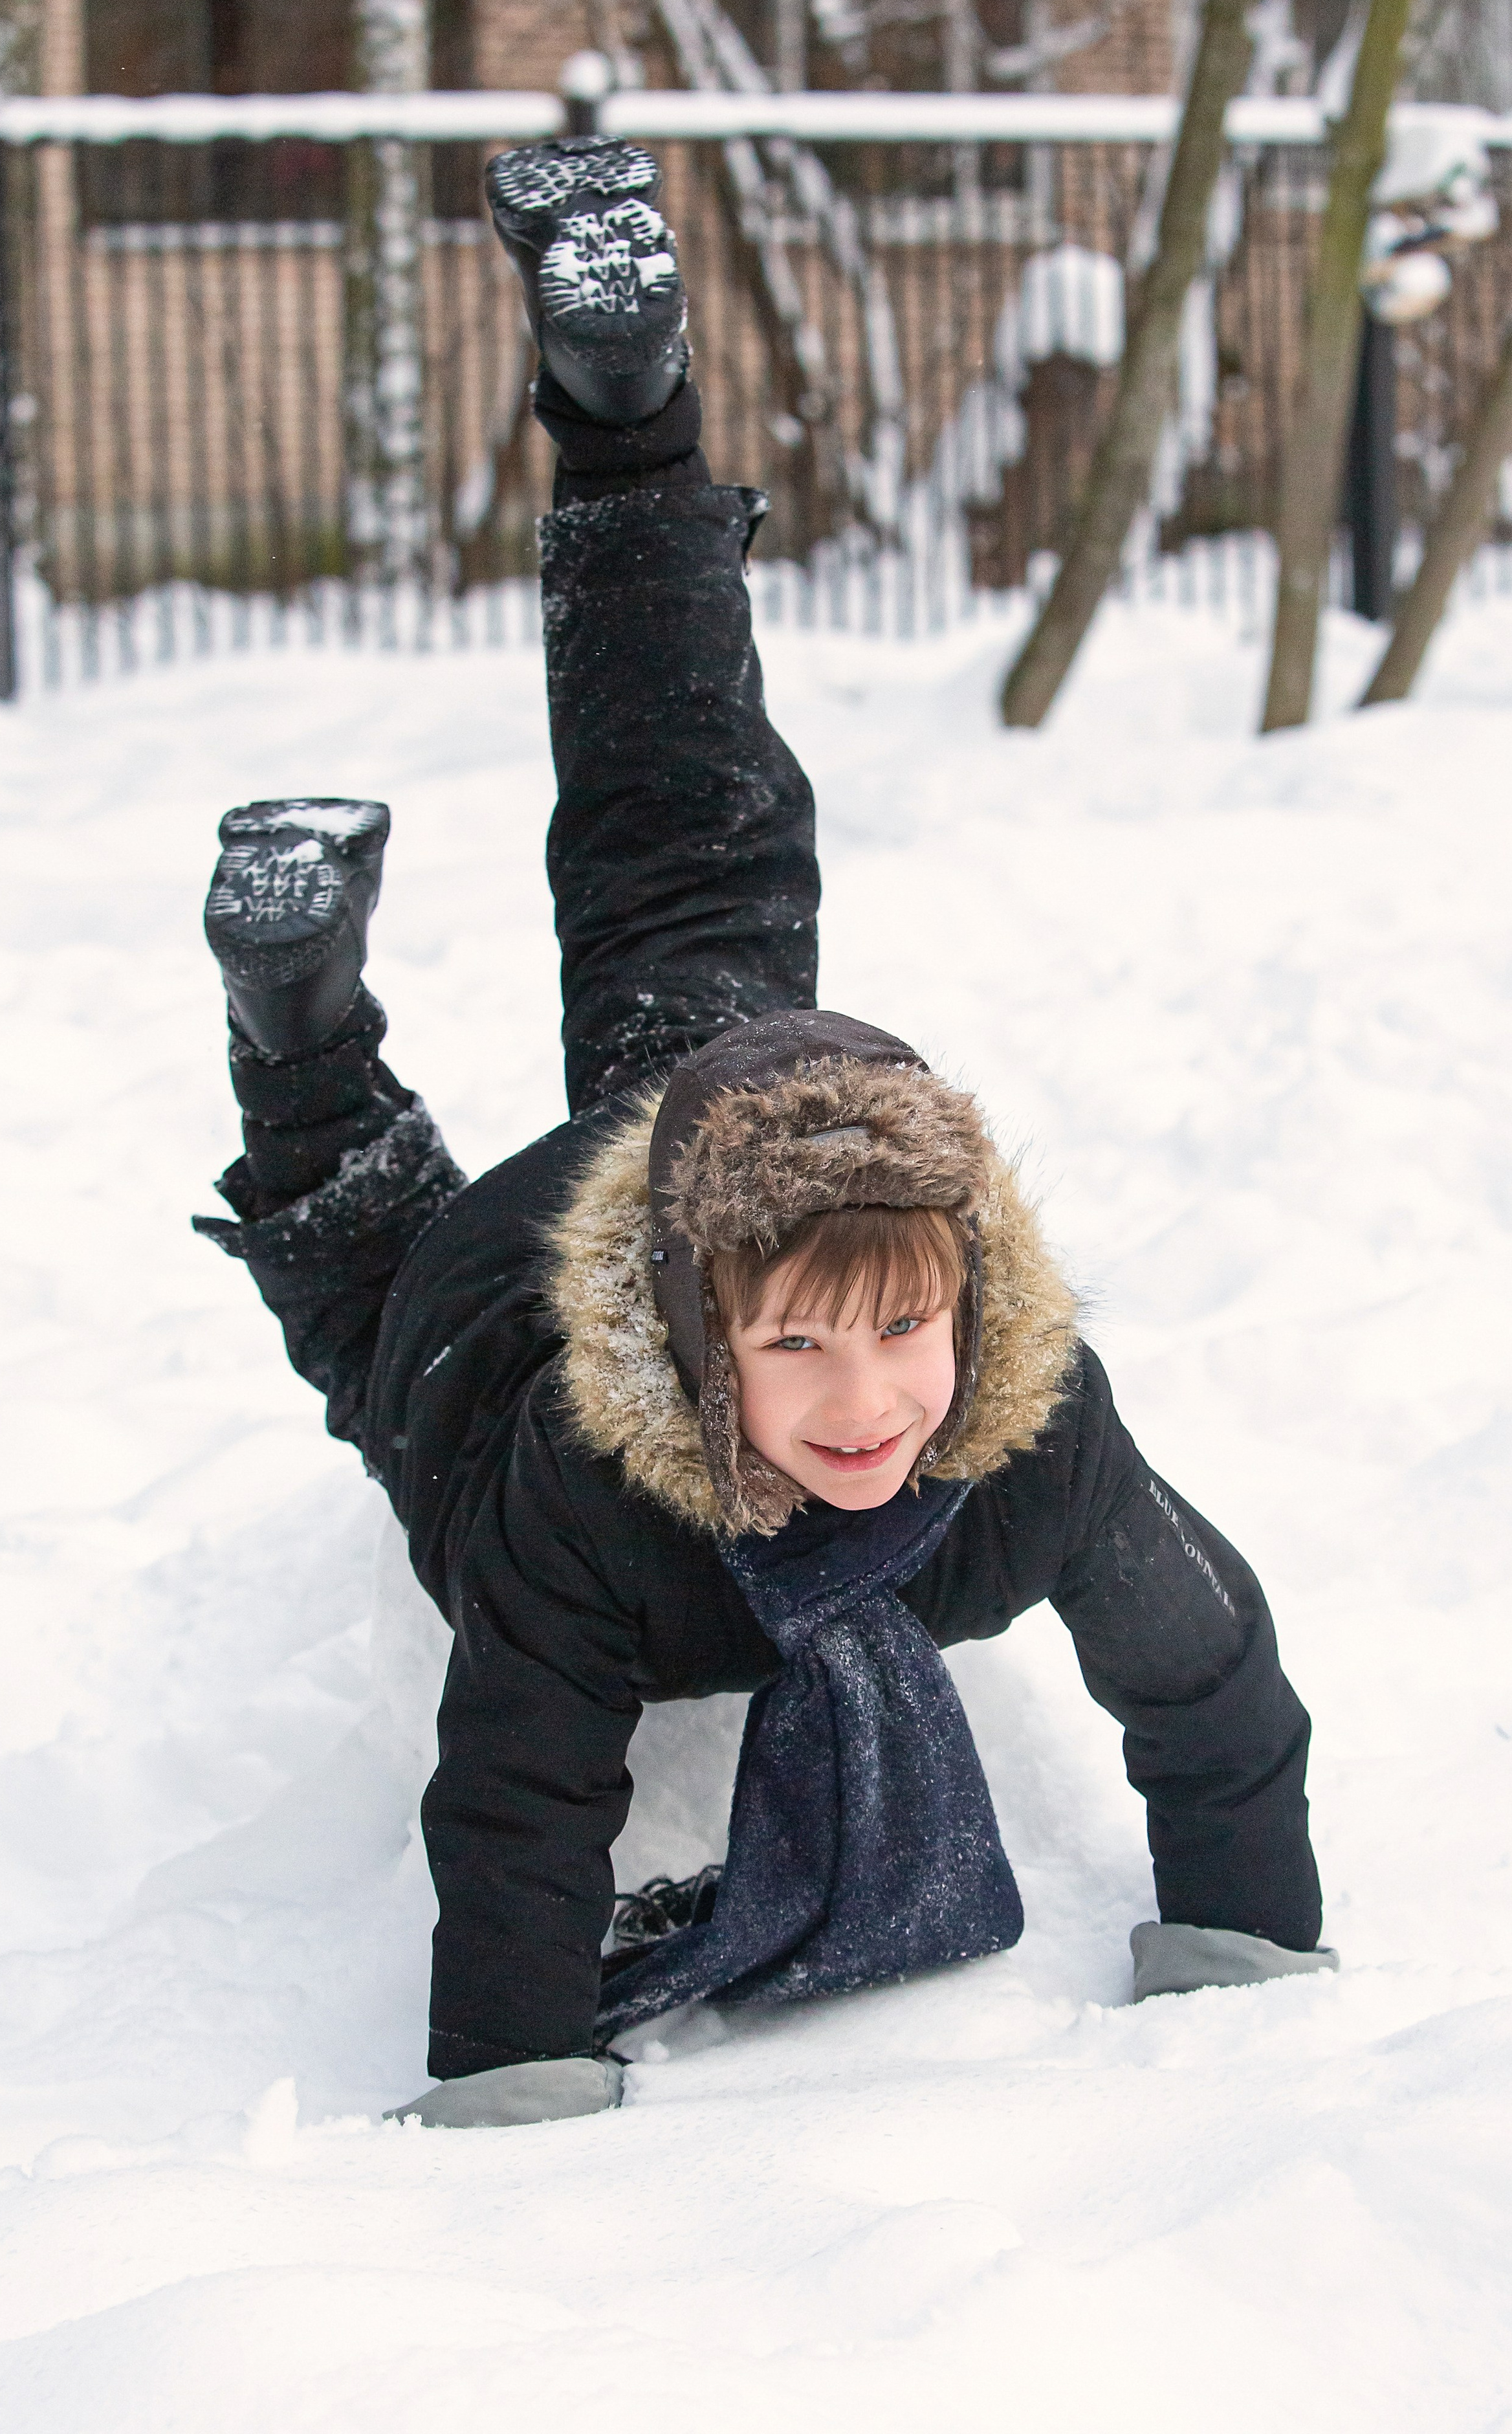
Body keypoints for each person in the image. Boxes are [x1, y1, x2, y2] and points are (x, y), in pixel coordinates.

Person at [195, 139, 1335, 2132]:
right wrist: (520, 2077)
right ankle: (295, 1018)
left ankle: (625, 416)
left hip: (747, 1156)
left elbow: (1209, 1668)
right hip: (504, 1316)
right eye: (802, 1352)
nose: (872, 1402)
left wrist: (1244, 1944)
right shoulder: (584, 1499)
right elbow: (523, 1791)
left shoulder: (1019, 1419)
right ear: (704, 1340)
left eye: (904, 1334)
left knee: (694, 865)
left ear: (967, 1302)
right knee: (356, 1275)